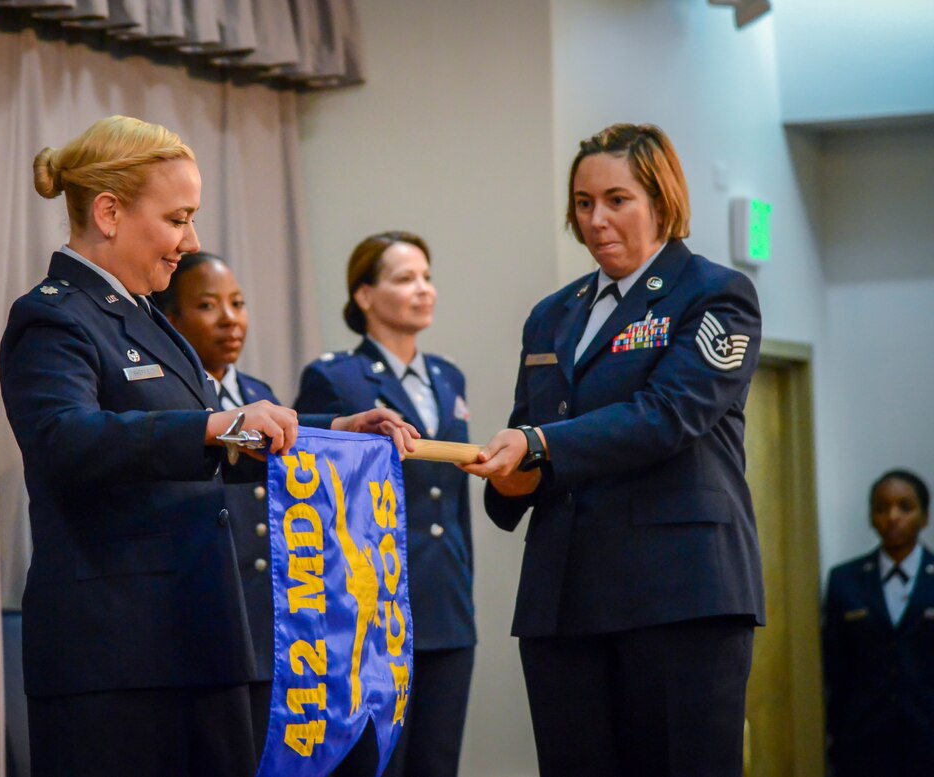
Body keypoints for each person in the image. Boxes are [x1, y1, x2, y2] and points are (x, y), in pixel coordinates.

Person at [0, 115, 415, 777]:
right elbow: (64, 439)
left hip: (198, 643)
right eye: (176, 219)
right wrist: (212, 429)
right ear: (108, 212)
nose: (188, 242)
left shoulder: (144, 318)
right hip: (116, 661)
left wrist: (324, 432)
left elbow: (211, 428)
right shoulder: (54, 315)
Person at [462, 123, 765, 777]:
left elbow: (668, 414)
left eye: (617, 199)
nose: (596, 220)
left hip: (679, 593)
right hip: (565, 595)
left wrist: (538, 444)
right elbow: (532, 427)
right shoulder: (553, 314)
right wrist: (512, 479)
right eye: (582, 203)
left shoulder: (715, 293)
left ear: (662, 198)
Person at [293, 231, 476, 777]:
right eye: (404, 278)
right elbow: (315, 493)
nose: (423, 290)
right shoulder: (334, 378)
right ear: (365, 295)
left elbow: (454, 498)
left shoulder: (448, 376)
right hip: (371, 609)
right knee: (377, 765)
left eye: (427, 276)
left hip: (445, 600)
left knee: (437, 761)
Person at [154, 251, 279, 756]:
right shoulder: (167, 400)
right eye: (207, 305)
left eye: (238, 303)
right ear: (171, 319)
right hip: (199, 615)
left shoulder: (259, 393)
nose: (230, 318)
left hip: (266, 620)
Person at [822, 469, 934, 777]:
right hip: (862, 744)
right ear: (871, 517)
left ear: (924, 516)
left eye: (905, 507)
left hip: (928, 742)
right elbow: (835, 669)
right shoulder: (844, 581)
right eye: (882, 508)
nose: (893, 516)